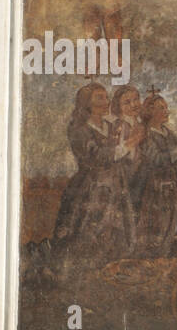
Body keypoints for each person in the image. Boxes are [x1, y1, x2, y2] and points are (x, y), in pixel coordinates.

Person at [51, 82, 141, 266]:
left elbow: (124, 159)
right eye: (99, 98)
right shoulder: (79, 129)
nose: (106, 101)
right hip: (91, 187)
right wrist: (129, 144)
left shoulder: (112, 127)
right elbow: (95, 157)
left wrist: (131, 147)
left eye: (106, 97)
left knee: (116, 228)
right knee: (90, 229)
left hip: (116, 185)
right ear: (86, 103)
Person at [130, 92, 177, 257]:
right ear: (150, 112)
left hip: (175, 183)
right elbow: (157, 159)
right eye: (162, 108)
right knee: (160, 224)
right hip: (155, 187)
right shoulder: (145, 134)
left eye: (167, 108)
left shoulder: (168, 132)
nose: (167, 111)